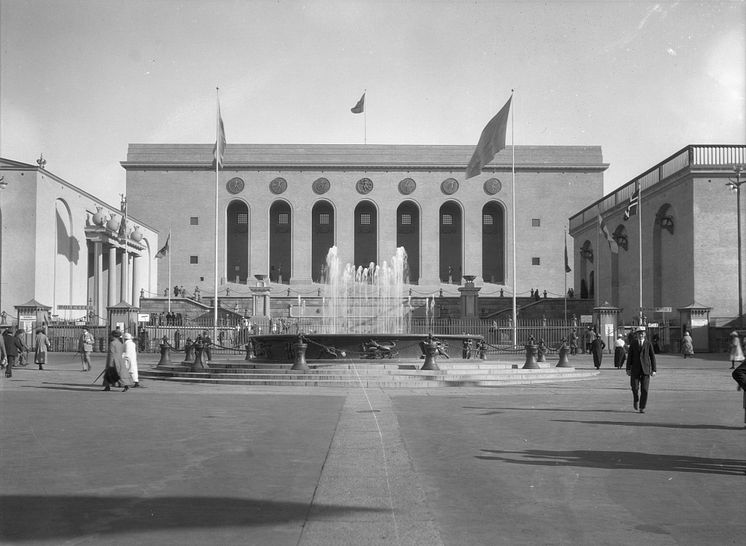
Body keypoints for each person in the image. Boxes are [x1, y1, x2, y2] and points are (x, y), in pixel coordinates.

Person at [626, 327, 657, 413]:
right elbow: (629, 357)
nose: (641, 335)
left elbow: (652, 357)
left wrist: (654, 369)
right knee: (634, 387)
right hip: (635, 369)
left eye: (642, 333)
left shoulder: (648, 344)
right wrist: (628, 368)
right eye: (639, 333)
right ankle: (636, 399)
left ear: (645, 334)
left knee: (645, 389)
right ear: (636, 334)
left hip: (645, 369)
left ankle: (642, 407)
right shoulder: (633, 343)